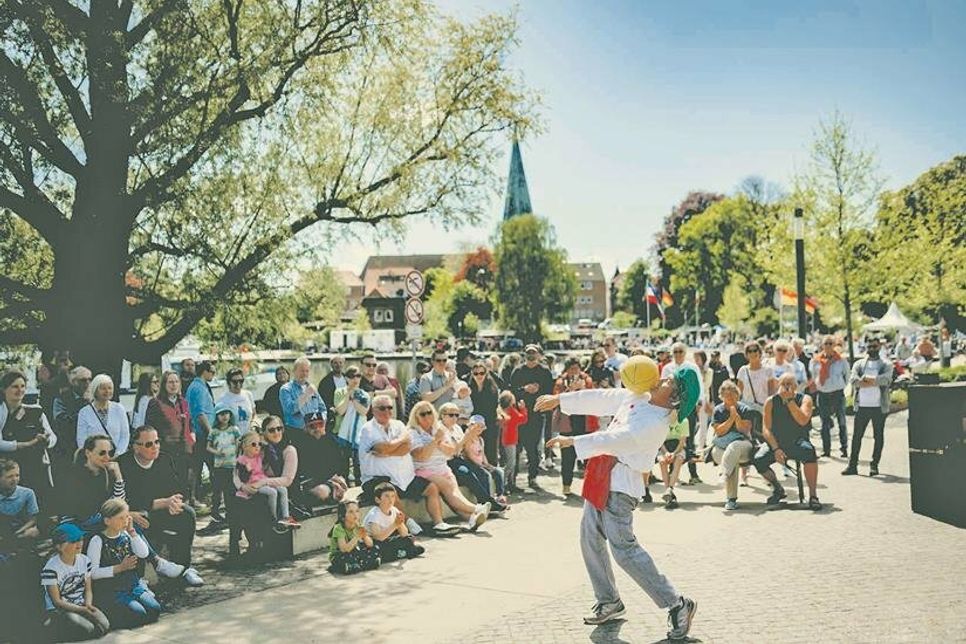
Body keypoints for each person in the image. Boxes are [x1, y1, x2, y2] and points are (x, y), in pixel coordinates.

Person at [537, 356, 699, 638]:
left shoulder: (655, 423)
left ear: (674, 396)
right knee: (590, 539)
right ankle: (609, 601)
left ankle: (677, 603)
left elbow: (616, 439)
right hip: (602, 475)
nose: (662, 377)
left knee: (624, 551)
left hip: (621, 486)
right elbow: (605, 397)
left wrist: (573, 441)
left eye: (669, 380)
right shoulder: (641, 395)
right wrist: (560, 400)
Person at [357, 395, 458, 535]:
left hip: (405, 478)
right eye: (382, 408)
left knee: (431, 488)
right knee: (390, 493)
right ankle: (408, 523)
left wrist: (389, 449)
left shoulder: (398, 424)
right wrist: (399, 442)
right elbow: (381, 449)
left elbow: (406, 447)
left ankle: (439, 524)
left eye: (390, 407)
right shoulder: (367, 429)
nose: (387, 411)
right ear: (373, 410)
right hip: (376, 479)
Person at [117, 426, 203, 586]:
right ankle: (147, 572)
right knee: (140, 517)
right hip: (137, 514)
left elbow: (177, 488)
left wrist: (175, 502)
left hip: (160, 510)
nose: (155, 447)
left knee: (187, 514)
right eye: (148, 444)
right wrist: (164, 502)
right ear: (136, 447)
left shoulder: (164, 459)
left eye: (157, 442)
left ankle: (184, 568)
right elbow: (131, 501)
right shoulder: (124, 464)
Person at [408, 401, 491, 530]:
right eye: (422, 414)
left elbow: (451, 451)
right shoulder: (413, 432)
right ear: (416, 417)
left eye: (429, 413)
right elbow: (421, 456)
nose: (427, 416)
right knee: (449, 489)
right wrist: (436, 441)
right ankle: (476, 509)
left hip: (443, 467)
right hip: (424, 470)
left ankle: (471, 519)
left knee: (455, 494)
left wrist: (438, 443)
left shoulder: (438, 429)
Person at [87, 498, 162, 625]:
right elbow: (93, 573)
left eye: (127, 517)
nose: (125, 521)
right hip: (112, 589)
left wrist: (132, 532)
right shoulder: (97, 540)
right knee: (139, 614)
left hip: (132, 585)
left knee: (154, 609)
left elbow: (143, 553)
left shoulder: (126, 535)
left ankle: (138, 596)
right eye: (121, 518)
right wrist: (119, 568)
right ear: (107, 521)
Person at [754, 373, 822, 510]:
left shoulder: (805, 399)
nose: (786, 387)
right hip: (776, 442)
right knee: (758, 459)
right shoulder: (771, 401)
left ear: (795, 386)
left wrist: (790, 401)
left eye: (789, 384)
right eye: (783, 384)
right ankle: (777, 488)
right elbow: (766, 429)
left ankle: (813, 495)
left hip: (797, 440)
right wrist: (775, 448)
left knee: (810, 453)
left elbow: (803, 420)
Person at [42, 523, 111, 640]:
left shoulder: (85, 561)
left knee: (105, 626)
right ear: (59, 547)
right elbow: (57, 602)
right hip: (60, 610)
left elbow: (88, 590)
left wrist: (88, 605)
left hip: (80, 604)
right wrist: (82, 610)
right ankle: (54, 624)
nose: (79, 544)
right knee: (89, 630)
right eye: (73, 541)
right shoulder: (51, 568)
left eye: (80, 539)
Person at [0, 370, 58, 504]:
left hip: (35, 467)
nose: (19, 390)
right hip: (9, 469)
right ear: (4, 389)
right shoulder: (1, 412)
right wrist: (25, 444)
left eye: (22, 386)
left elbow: (53, 438)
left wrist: (46, 440)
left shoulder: (36, 411)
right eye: (15, 386)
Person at [843, 338, 893, 477]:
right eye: (869, 346)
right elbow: (853, 380)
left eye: (874, 346)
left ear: (880, 347)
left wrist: (867, 380)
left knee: (878, 436)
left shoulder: (886, 364)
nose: (871, 349)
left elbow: (886, 380)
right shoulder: (859, 364)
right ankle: (852, 465)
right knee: (857, 437)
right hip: (862, 406)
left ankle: (874, 465)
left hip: (879, 406)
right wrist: (873, 381)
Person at [144, 371, 194, 503]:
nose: (174, 385)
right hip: (165, 452)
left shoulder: (183, 403)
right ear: (164, 384)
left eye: (176, 382)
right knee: (167, 487)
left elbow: (190, 424)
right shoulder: (155, 403)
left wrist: (191, 438)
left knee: (183, 486)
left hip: (183, 452)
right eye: (170, 382)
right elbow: (149, 428)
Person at [234, 431, 300, 532]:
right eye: (253, 444)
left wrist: (263, 441)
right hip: (253, 483)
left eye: (259, 444)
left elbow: (267, 450)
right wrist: (246, 470)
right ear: (244, 446)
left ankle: (286, 517)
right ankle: (273, 519)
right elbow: (240, 476)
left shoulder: (258, 457)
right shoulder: (241, 460)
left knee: (283, 489)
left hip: (262, 480)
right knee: (272, 492)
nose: (257, 447)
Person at [509, 344, 554, 488]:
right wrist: (525, 389)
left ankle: (533, 477)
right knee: (517, 447)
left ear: (539, 355)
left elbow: (550, 392)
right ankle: (512, 479)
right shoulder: (518, 371)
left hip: (537, 414)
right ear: (524, 354)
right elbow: (511, 391)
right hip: (518, 414)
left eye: (534, 353)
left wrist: (538, 391)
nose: (531, 355)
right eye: (529, 352)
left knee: (533, 447)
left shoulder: (545, 371)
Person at [661, 343, 703, 485]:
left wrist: (699, 402)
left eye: (680, 351)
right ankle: (673, 474)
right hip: (672, 408)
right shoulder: (667, 368)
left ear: (685, 353)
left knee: (689, 440)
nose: (678, 354)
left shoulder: (692, 367)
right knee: (673, 439)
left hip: (689, 407)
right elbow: (663, 387)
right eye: (675, 351)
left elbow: (699, 385)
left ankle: (693, 474)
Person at [710, 381, 756, 510]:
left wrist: (736, 418)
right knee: (731, 458)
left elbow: (744, 430)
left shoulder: (745, 409)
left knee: (734, 448)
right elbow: (719, 431)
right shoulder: (718, 410)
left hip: (743, 445)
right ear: (721, 396)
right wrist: (730, 419)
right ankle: (731, 500)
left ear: (737, 395)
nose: (729, 398)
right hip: (721, 447)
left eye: (732, 395)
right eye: (726, 395)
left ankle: (724, 475)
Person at [286, 412, 348, 506]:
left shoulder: (331, 441)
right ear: (306, 428)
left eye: (320, 424)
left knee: (341, 483)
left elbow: (340, 465)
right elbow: (307, 474)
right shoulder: (300, 445)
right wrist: (331, 481)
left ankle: (333, 495)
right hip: (310, 483)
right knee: (322, 492)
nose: (317, 429)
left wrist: (339, 479)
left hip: (329, 480)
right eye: (312, 426)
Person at [553, 357, 593, 496]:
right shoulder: (560, 381)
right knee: (567, 457)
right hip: (567, 424)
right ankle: (566, 485)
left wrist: (582, 389)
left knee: (588, 457)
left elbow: (594, 396)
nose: (574, 371)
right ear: (567, 369)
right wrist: (569, 390)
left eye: (577, 368)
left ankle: (589, 487)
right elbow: (556, 399)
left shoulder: (586, 379)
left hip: (585, 423)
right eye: (571, 369)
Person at [810, 335, 850, 458]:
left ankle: (844, 448)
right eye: (825, 343)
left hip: (837, 394)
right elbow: (814, 376)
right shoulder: (816, 361)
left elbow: (847, 376)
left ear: (834, 345)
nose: (828, 346)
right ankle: (826, 450)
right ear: (822, 345)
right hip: (823, 394)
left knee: (841, 421)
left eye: (830, 343)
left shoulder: (841, 360)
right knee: (824, 423)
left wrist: (838, 385)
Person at [363, 483, 425, 562]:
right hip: (374, 542)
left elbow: (404, 534)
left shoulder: (394, 510)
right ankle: (403, 552)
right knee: (380, 548)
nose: (391, 499)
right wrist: (395, 525)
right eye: (387, 496)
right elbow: (378, 538)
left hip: (388, 538)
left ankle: (401, 552)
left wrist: (400, 523)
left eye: (393, 496)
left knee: (408, 538)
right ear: (378, 499)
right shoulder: (374, 515)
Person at [76, 374, 131, 457]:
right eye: (103, 388)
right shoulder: (84, 412)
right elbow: (81, 440)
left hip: (116, 457)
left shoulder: (119, 409)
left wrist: (118, 453)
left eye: (110, 388)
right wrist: (91, 456)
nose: (107, 391)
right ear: (95, 390)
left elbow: (125, 435)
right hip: (94, 458)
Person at [185, 361, 216, 507]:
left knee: (197, 467)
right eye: (212, 372)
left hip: (200, 434)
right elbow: (199, 413)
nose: (213, 375)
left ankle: (195, 498)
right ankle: (195, 498)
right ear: (205, 371)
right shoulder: (198, 388)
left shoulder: (199, 386)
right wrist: (211, 433)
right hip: (202, 435)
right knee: (203, 467)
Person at [332, 366, 370, 485]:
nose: (355, 379)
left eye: (358, 376)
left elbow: (363, 411)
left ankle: (360, 487)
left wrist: (354, 398)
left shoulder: (364, 394)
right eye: (352, 376)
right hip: (343, 433)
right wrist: (348, 394)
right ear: (346, 378)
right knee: (343, 465)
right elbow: (340, 411)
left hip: (359, 434)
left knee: (359, 464)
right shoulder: (339, 392)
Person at [206, 404, 241, 525]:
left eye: (226, 413)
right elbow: (208, 447)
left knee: (230, 491)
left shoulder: (234, 429)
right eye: (221, 414)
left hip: (232, 465)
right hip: (219, 465)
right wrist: (217, 452)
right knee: (217, 490)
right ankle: (215, 512)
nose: (224, 416)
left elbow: (239, 444)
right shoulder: (214, 431)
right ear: (217, 416)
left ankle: (230, 513)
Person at [328, 499, 381, 575]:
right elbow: (344, 549)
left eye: (357, 511)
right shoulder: (338, 528)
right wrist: (357, 536)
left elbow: (370, 544)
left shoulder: (358, 525)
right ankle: (349, 566)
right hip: (340, 555)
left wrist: (364, 535)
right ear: (343, 515)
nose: (355, 514)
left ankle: (356, 565)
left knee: (374, 549)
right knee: (346, 558)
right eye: (351, 512)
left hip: (353, 552)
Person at [52, 366, 93, 458]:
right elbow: (63, 424)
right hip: (69, 448)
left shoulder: (94, 398)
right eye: (83, 380)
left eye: (89, 380)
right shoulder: (61, 399)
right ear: (73, 382)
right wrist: (85, 404)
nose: (87, 383)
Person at [467, 360, 501, 464]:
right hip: (474, 425)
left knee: (490, 454)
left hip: (490, 424)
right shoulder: (469, 388)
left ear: (486, 373)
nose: (479, 376)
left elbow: (493, 408)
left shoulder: (492, 389)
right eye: (476, 373)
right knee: (474, 454)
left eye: (482, 373)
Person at [0, 458, 39, 545]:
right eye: (9, 477)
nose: (15, 479)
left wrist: (16, 534)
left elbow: (33, 519)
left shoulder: (28, 493)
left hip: (22, 533)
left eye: (17, 475)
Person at [279, 357, 325, 431]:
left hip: (315, 430)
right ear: (294, 371)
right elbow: (290, 410)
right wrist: (306, 394)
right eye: (302, 371)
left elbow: (323, 408)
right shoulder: (285, 389)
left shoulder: (312, 387)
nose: (305, 374)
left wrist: (322, 422)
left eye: (307, 371)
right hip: (297, 431)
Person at [656, 414, 688, 509]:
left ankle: (670, 488)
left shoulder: (684, 421)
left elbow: (682, 442)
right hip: (664, 448)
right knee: (662, 461)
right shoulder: (661, 421)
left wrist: (674, 453)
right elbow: (660, 441)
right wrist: (666, 452)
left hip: (677, 448)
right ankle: (668, 490)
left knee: (679, 460)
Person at [497, 391, 527, 493]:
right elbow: (522, 419)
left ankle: (507, 484)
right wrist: (523, 408)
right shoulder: (511, 410)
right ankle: (501, 483)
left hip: (506, 439)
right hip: (510, 439)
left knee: (508, 462)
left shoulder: (502, 410)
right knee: (511, 463)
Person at [217, 368, 255, 433]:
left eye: (241, 381)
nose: (238, 384)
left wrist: (253, 426)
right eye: (235, 382)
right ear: (229, 383)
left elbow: (254, 414)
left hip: (248, 435)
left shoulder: (248, 394)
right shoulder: (223, 399)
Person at [317, 356, 347, 425]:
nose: (338, 365)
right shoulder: (325, 381)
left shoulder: (348, 378)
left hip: (347, 413)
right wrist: (331, 408)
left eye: (340, 362)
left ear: (343, 364)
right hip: (333, 415)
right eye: (335, 363)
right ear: (331, 365)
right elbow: (321, 399)